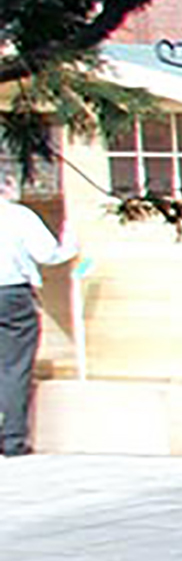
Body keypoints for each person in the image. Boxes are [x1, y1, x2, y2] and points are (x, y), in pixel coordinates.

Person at [2, 192, 74, 457]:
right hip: (10, 293)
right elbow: (47, 254)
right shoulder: (18, 215)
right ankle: (12, 439)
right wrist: (70, 240)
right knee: (15, 366)